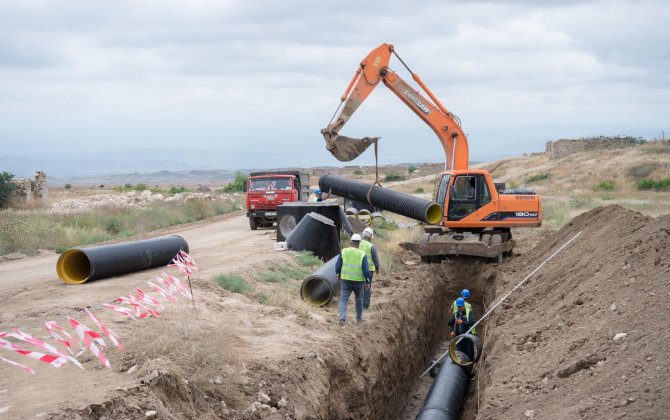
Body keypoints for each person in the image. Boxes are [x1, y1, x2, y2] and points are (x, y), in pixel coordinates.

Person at [336, 233, 371, 325]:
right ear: (359, 243)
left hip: (345, 280)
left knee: (343, 299)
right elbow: (366, 270)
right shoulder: (362, 253)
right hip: (358, 282)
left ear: (351, 242)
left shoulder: (344, 251)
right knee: (359, 299)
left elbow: (337, 266)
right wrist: (367, 281)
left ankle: (342, 319)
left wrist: (338, 274)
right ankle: (359, 319)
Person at [360, 227, 380, 310]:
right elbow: (376, 260)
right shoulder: (372, 246)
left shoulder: (357, 244)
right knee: (367, 286)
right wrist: (377, 268)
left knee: (360, 286)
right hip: (369, 270)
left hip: (359, 269)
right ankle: (365, 305)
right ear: (370, 237)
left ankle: (359, 303)